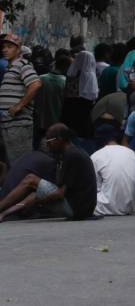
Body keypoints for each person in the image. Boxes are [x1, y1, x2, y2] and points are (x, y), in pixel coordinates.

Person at [0, 123, 96, 222]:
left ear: (59, 139)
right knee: (36, 191)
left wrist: (38, 202)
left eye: (49, 141)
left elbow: (60, 194)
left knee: (30, 179)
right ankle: (4, 214)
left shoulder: (72, 156)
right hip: (82, 209)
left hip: (77, 210)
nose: (48, 145)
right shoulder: (72, 152)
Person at [0, 35, 41, 164]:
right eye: (4, 47)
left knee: (20, 163)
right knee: (11, 162)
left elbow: (36, 84)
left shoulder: (23, 64)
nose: (5, 50)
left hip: (18, 123)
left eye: (10, 47)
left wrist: (19, 106)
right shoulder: (10, 67)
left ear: (18, 50)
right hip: (9, 122)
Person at [90, 124, 135, 216]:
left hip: (104, 209)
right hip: (130, 208)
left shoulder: (96, 156)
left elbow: (94, 188)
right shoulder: (132, 153)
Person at [35, 54, 70, 147]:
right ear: (66, 67)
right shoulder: (65, 81)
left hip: (39, 121)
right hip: (55, 122)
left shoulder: (40, 78)